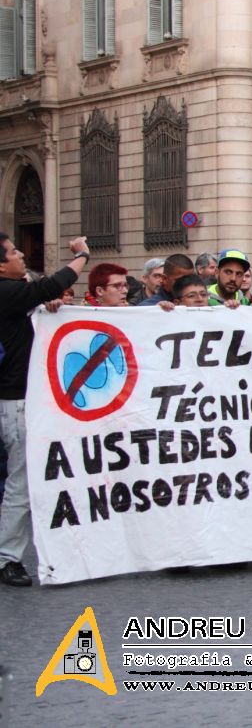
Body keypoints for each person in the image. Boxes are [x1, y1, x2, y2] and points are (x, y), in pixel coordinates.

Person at [0, 234, 92, 587]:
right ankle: (8, 557)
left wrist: (47, 307)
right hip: (16, 402)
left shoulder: (13, 295)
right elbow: (54, 283)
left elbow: (39, 299)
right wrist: (82, 255)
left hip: (23, 399)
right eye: (13, 252)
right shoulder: (6, 292)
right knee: (21, 482)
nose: (21, 254)